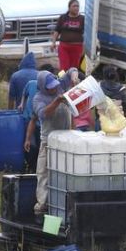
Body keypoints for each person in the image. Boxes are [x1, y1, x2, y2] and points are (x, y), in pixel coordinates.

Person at [26, 69, 77, 215]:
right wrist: (57, 101)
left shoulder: (61, 85)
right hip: (48, 141)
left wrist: (74, 76)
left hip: (67, 139)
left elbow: (72, 70)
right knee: (43, 172)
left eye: (54, 85)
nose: (54, 88)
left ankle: (67, 201)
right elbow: (44, 114)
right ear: (42, 86)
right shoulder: (38, 99)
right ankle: (43, 203)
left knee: (66, 171)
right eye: (50, 87)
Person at [19, 63, 56, 172]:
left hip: (53, 131)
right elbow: (33, 119)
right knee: (36, 150)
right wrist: (27, 139)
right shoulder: (36, 93)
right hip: (40, 128)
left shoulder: (57, 91)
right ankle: (33, 169)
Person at [52, 0, 85, 71]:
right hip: (64, 47)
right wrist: (53, 42)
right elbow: (57, 31)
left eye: (78, 6)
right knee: (64, 68)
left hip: (77, 47)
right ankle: (62, 81)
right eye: (74, 6)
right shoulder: (63, 18)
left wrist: (84, 48)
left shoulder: (82, 19)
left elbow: (86, 34)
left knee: (74, 69)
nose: (76, 8)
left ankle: (72, 82)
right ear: (69, 7)